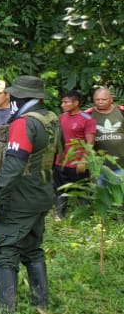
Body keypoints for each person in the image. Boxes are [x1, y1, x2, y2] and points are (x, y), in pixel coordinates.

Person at [0, 75, 61, 314]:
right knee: (32, 248)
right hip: (42, 192)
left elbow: (14, 165)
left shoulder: (24, 123)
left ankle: (6, 312)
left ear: (21, 97)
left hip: (20, 197)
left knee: (5, 250)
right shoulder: (50, 119)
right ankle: (40, 304)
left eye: (14, 96)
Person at [53, 90, 96, 219]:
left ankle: (86, 217)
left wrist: (84, 160)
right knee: (60, 190)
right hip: (61, 161)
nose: (63, 105)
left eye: (66, 102)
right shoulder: (61, 117)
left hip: (77, 163)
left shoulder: (87, 119)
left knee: (82, 191)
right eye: (62, 102)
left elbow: (90, 141)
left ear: (76, 103)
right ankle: (60, 215)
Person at [87, 88, 124, 183]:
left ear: (111, 99)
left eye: (104, 99)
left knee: (119, 191)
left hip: (121, 165)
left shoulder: (121, 111)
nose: (100, 102)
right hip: (98, 166)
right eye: (97, 99)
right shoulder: (87, 114)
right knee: (100, 190)